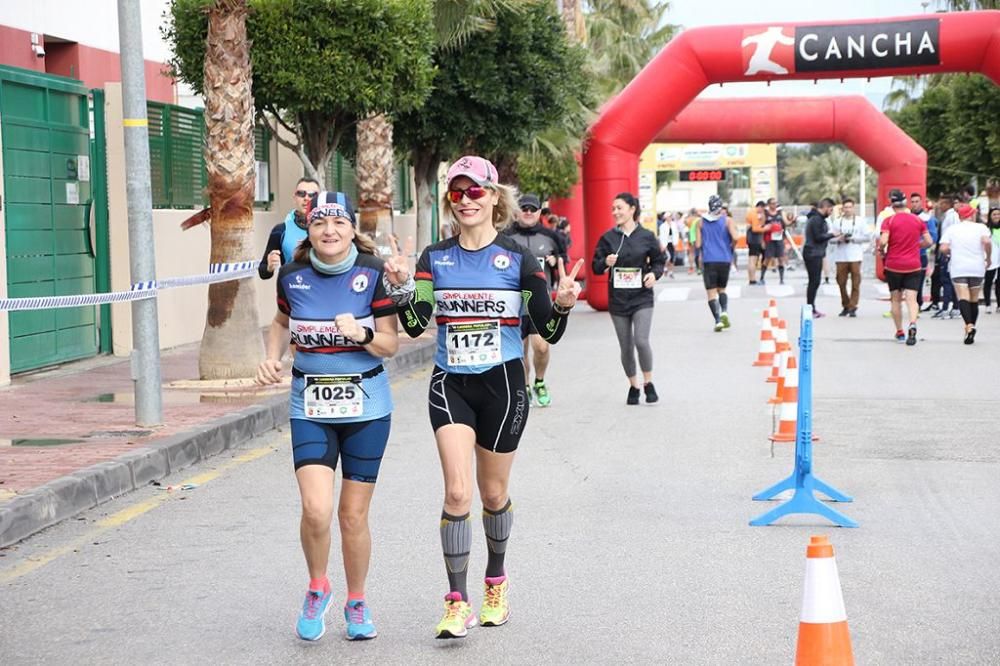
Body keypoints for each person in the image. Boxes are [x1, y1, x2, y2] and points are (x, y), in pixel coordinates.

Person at [384, 155, 582, 639]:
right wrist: (402, 287)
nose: (467, 200)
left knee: (493, 493)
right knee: (457, 492)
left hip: (504, 385)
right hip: (452, 383)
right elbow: (414, 325)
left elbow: (548, 333)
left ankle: (496, 580)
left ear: (495, 198)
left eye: (476, 192)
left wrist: (561, 305)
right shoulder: (435, 256)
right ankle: (457, 601)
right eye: (458, 192)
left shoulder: (519, 259)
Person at [255, 191, 398, 642]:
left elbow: (391, 344)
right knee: (316, 509)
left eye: (338, 223)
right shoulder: (293, 275)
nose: (329, 231)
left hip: (367, 407)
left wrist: (363, 333)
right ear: (309, 230)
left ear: (352, 229)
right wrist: (272, 358)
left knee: (352, 516)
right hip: (309, 405)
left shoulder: (372, 273)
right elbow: (280, 323)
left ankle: (357, 602)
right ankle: (318, 586)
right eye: (319, 223)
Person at [592, 192, 666, 404]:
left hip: (642, 296)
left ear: (632, 209)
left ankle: (648, 382)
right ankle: (633, 385)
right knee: (625, 346)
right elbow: (595, 267)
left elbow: (659, 260)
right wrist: (606, 261)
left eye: (619, 208)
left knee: (641, 341)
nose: (615, 212)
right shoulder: (608, 238)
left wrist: (654, 274)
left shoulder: (647, 236)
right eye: (613, 209)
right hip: (618, 299)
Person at [504, 193, 569, 407]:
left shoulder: (551, 236)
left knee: (541, 347)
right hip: (513, 304)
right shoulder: (505, 237)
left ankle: (540, 381)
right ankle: (524, 386)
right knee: (519, 351)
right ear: (516, 211)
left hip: (540, 302)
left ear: (540, 212)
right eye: (524, 209)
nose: (529, 213)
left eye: (533, 209)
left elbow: (563, 263)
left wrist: (556, 260)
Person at [879, 189, 934, 345]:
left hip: (894, 265)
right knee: (912, 299)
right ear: (905, 202)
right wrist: (917, 245)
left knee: (896, 300)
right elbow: (929, 241)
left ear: (892, 204)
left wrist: (881, 251)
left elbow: (883, 241)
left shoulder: (889, 221)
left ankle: (900, 332)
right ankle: (912, 324)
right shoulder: (917, 220)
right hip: (913, 264)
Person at [939, 203, 992, 343]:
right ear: (971, 214)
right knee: (974, 299)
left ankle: (968, 326)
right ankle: (972, 326)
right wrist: (989, 257)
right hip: (977, 266)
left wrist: (952, 251)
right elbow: (986, 241)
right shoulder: (981, 227)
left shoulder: (952, 229)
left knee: (963, 297)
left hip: (959, 267)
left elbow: (943, 248)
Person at [258, 177, 322, 279]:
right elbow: (263, 272)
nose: (306, 198)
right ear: (294, 198)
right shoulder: (281, 230)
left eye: (312, 195)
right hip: (293, 291)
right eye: (301, 194)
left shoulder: (330, 230)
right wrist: (269, 267)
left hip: (323, 291)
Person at [695, 195, 739, 331]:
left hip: (709, 260)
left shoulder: (700, 222)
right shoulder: (728, 221)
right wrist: (731, 246)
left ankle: (718, 320)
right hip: (724, 259)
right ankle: (724, 310)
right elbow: (736, 237)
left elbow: (698, 244)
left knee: (711, 293)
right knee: (722, 289)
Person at [829, 198, 870, 317]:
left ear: (853, 208)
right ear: (842, 208)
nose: (847, 209)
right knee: (841, 282)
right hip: (841, 256)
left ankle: (853, 306)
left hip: (855, 255)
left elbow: (868, 237)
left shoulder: (860, 221)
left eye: (849, 207)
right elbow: (830, 239)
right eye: (845, 207)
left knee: (856, 282)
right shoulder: (837, 222)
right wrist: (839, 239)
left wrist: (854, 239)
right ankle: (846, 304)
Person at [802, 198, 839, 318]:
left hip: (816, 252)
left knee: (815, 281)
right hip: (813, 253)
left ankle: (811, 307)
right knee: (814, 281)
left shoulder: (818, 219)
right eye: (831, 209)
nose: (831, 212)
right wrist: (832, 234)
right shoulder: (816, 219)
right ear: (825, 207)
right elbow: (818, 237)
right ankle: (810, 308)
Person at [761, 197, 788, 285]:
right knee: (767, 258)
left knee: (781, 258)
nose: (774, 205)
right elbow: (761, 226)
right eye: (772, 203)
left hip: (779, 238)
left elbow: (786, 223)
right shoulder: (766, 213)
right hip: (769, 239)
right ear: (768, 205)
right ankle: (762, 277)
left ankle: (781, 279)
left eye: (775, 203)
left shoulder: (780, 212)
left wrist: (792, 221)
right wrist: (762, 240)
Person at [746, 200, 766, 284]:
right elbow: (755, 228)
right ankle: (752, 279)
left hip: (751, 238)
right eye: (762, 209)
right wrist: (766, 228)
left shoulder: (751, 212)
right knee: (753, 259)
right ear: (760, 207)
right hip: (754, 238)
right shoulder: (754, 214)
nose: (762, 211)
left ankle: (752, 279)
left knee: (752, 259)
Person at [984, 208, 1000, 314]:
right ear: (990, 216)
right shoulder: (986, 229)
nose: (997, 216)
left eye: (998, 214)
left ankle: (999, 305)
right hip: (991, 258)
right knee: (988, 282)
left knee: (999, 283)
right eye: (994, 214)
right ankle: (988, 304)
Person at [657, 211, 677, 279]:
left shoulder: (674, 225)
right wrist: (662, 245)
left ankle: (671, 272)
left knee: (672, 257)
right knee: (667, 257)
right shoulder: (663, 226)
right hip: (665, 243)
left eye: (670, 217)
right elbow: (661, 236)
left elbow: (676, 234)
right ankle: (665, 268)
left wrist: (675, 243)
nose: (670, 218)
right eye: (668, 217)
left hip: (672, 242)